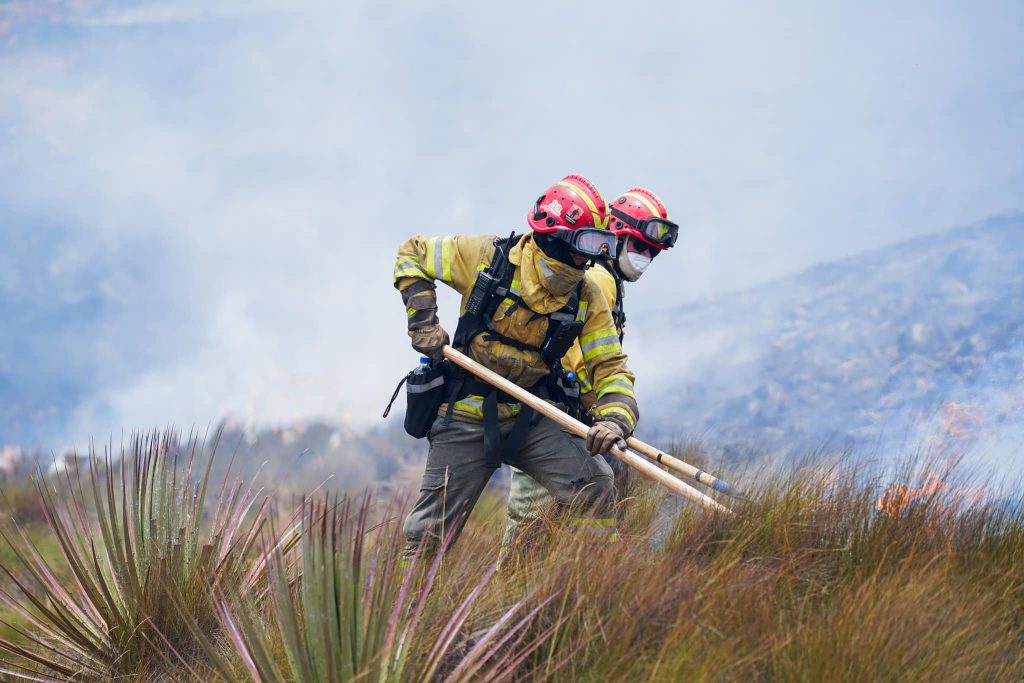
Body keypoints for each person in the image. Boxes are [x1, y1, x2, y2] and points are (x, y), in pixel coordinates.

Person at [393, 175, 641, 559]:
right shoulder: (483, 257)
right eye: (584, 245)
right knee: (427, 536)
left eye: (597, 245)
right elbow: (413, 253)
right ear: (554, 236)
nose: (588, 259)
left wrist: (614, 419)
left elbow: (610, 368)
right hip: (464, 414)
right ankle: (405, 614)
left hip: (530, 416)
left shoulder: (586, 296)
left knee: (594, 484)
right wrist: (422, 320)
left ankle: (590, 581)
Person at [502, 187, 679, 550]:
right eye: (639, 247)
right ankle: (506, 593)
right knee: (531, 519)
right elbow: (576, 361)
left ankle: (569, 583)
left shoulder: (607, 280)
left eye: (652, 253)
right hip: (547, 415)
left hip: (565, 417)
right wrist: (599, 412)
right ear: (614, 237)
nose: (645, 258)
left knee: (561, 519)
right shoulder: (598, 280)